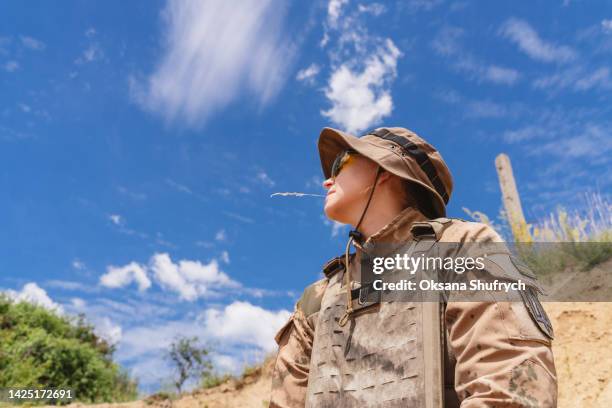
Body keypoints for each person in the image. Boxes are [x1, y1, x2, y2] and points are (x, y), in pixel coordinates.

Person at [270, 127, 557, 407]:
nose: (327, 181)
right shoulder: (316, 299)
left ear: (385, 169)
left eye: (341, 163)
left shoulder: (462, 248)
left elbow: (510, 392)